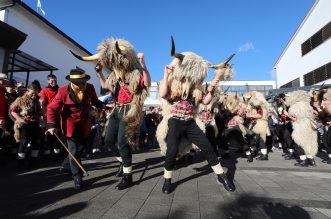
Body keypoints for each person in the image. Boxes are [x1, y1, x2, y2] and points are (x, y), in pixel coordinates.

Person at [157, 37, 235, 194]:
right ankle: (167, 180)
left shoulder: (197, 88)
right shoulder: (174, 83)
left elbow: (206, 101)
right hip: (175, 121)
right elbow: (163, 93)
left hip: (190, 122)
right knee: (171, 151)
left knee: (207, 147)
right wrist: (165, 75)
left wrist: (213, 86)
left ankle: (222, 176)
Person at [75, 38, 151, 190]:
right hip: (117, 109)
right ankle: (122, 162)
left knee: (123, 142)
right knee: (108, 140)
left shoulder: (135, 72)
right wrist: (100, 73)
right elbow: (105, 87)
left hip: (130, 109)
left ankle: (128, 176)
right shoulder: (113, 75)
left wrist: (143, 65)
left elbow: (147, 84)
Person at [46, 68, 103, 189]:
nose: (83, 85)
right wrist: (51, 125)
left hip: (84, 123)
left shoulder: (90, 87)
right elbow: (51, 108)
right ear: (73, 82)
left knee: (81, 147)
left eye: (84, 81)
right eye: (79, 83)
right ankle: (77, 176)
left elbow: (95, 101)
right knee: (74, 150)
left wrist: (103, 106)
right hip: (69, 123)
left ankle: (66, 165)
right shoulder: (62, 91)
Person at [39, 74, 60, 157]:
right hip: (48, 117)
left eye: (55, 80)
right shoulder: (44, 91)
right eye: (52, 81)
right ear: (48, 81)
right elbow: (42, 103)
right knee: (48, 136)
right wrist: (43, 115)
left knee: (57, 136)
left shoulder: (60, 90)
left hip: (58, 116)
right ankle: (47, 155)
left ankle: (56, 154)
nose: (54, 82)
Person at [0, 73, 8, 149]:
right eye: (3, 81)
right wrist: (1, 118)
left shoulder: (2, 92)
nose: (5, 83)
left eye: (5, 81)